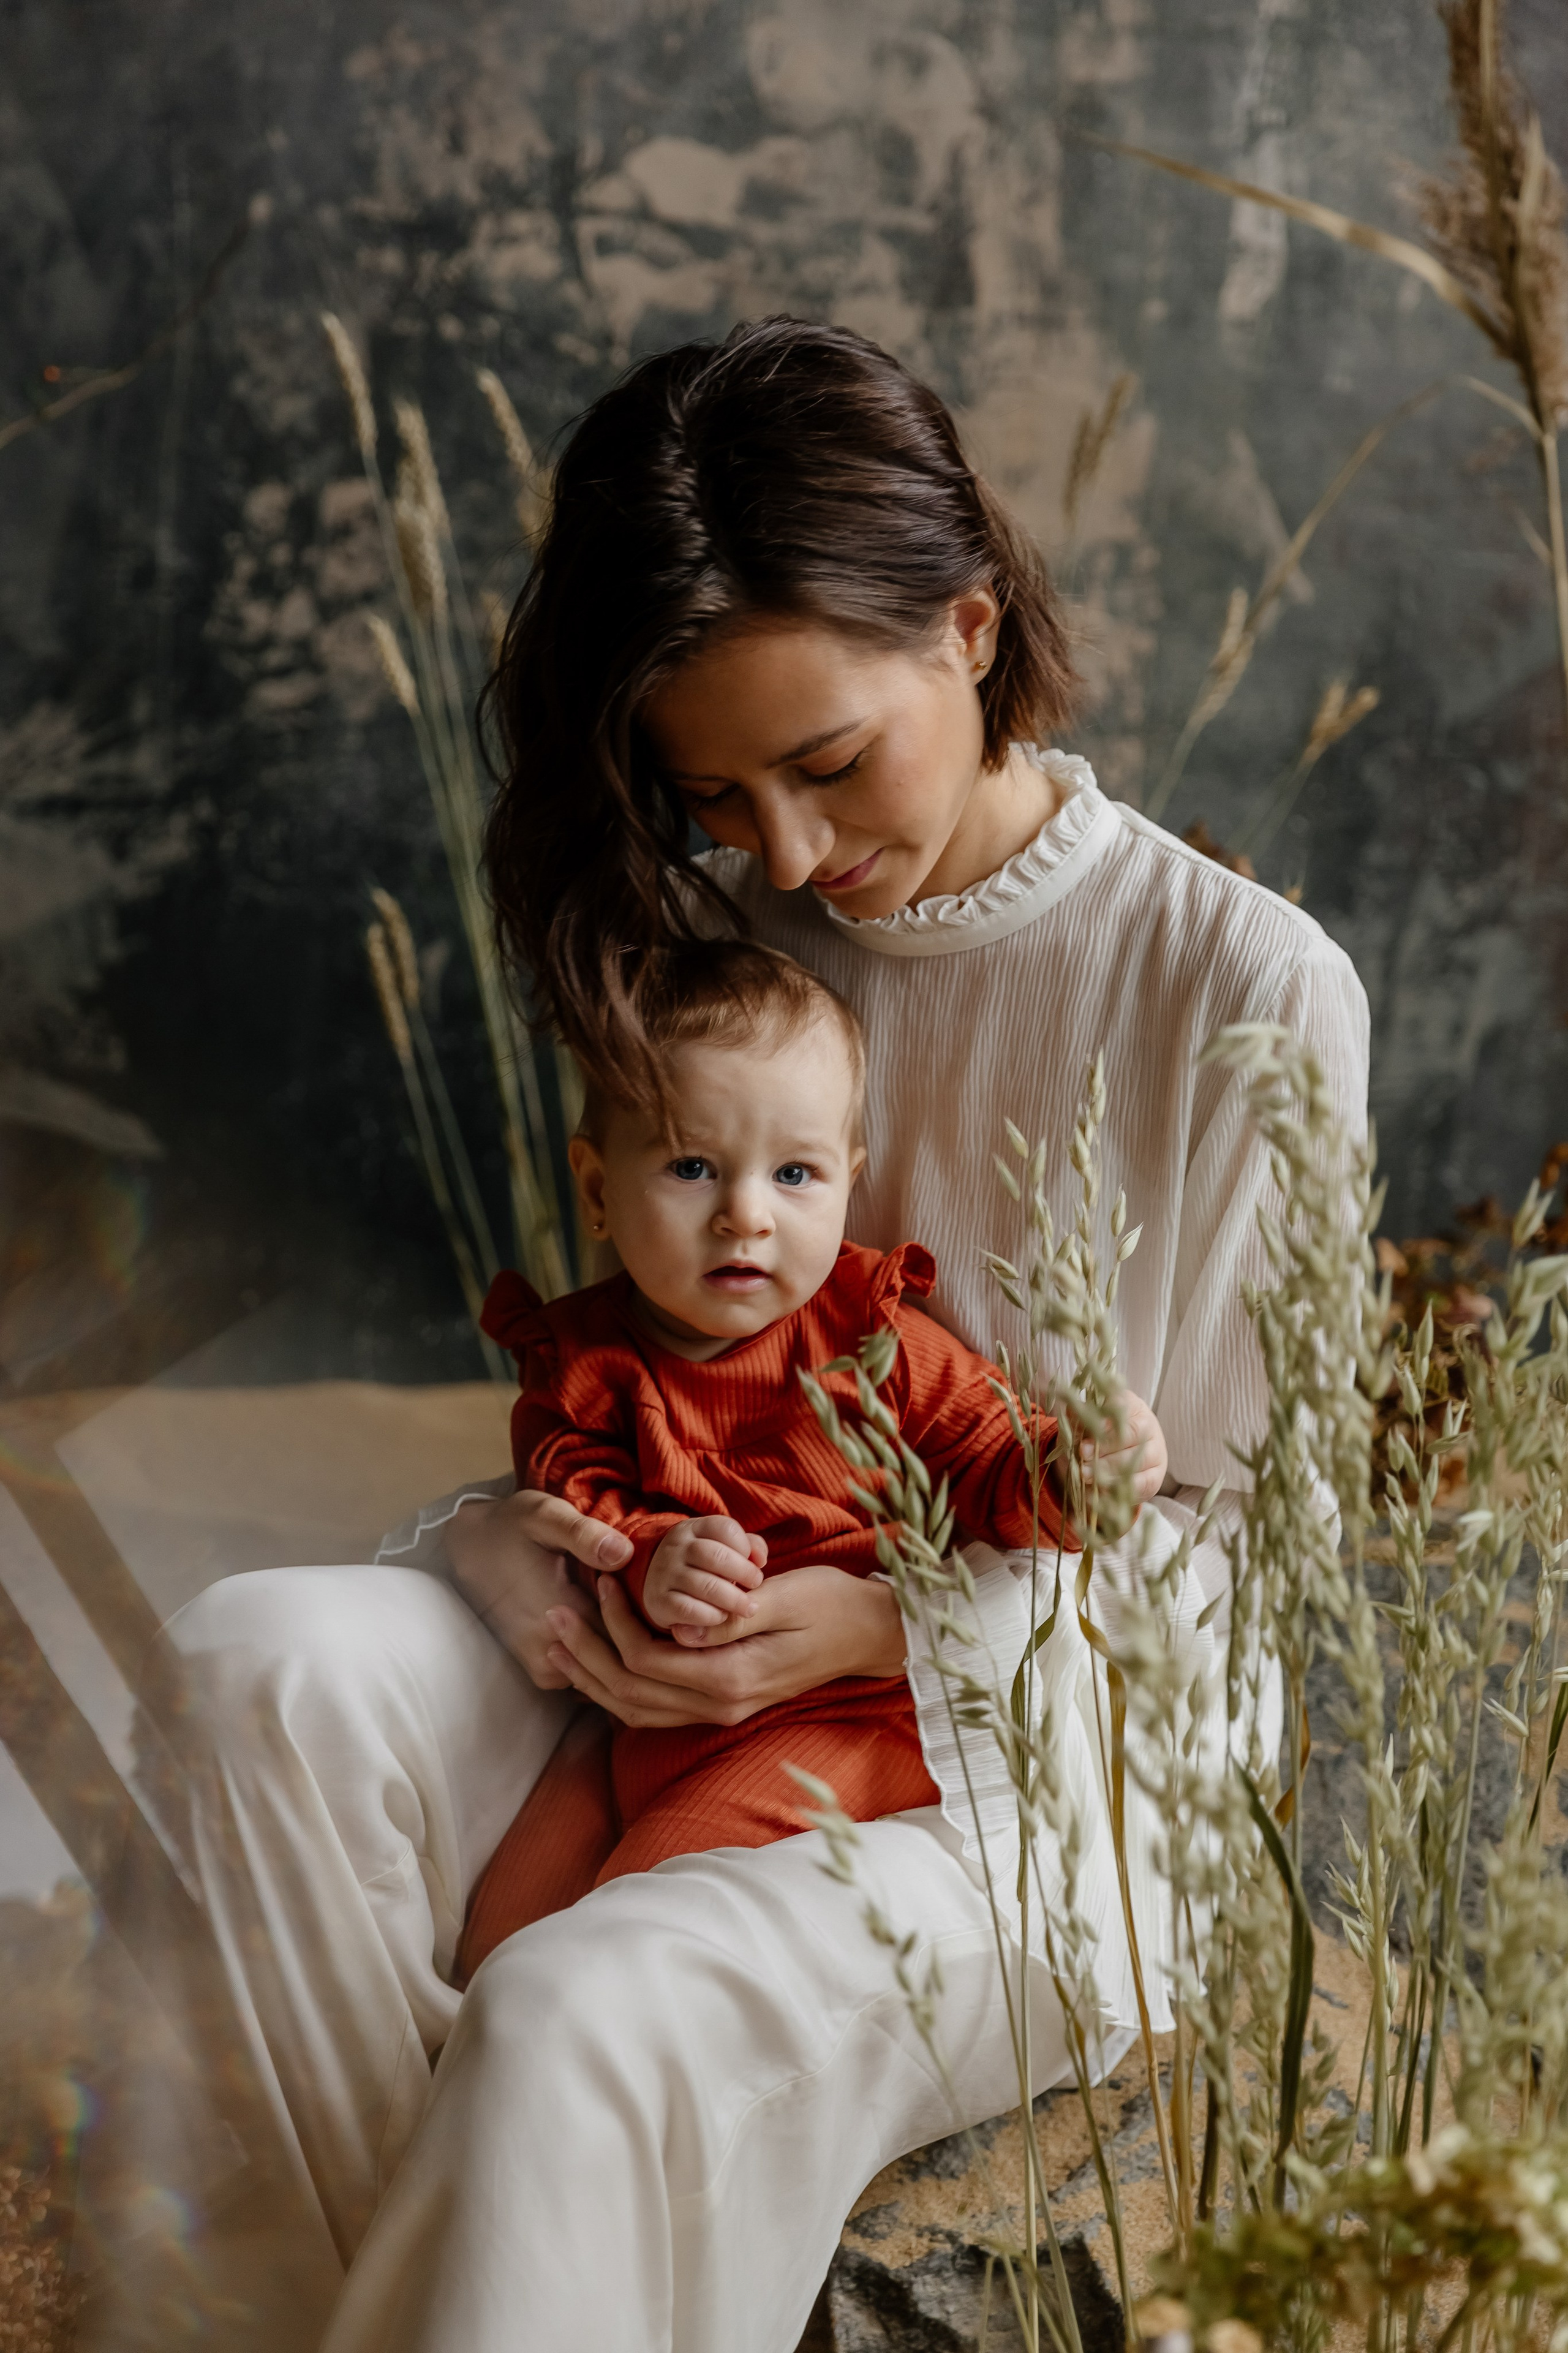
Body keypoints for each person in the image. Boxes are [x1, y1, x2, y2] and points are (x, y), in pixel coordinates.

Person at [160, 316, 1367, 2353]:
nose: (790, 859)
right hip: (681, 1658)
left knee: (571, 2003)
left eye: (826, 765)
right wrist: (526, 1550)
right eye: (715, 796)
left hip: (1027, 1774)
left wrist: (884, 1627)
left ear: (972, 628)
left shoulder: (1239, 985)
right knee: (254, 1663)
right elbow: (648, 1384)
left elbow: (1246, 1594)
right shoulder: (729, 942)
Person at [455, 936, 1170, 1975]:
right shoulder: (584, 1364)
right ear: (599, 1189)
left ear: (848, 1182)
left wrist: (1078, 1474)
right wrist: (652, 1555)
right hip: (644, 1724)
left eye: (795, 1173)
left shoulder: (874, 1339)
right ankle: (474, 2078)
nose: (747, 1212)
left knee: (619, 1923)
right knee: (498, 1930)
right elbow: (575, 1500)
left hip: (850, 1715)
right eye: (692, 1166)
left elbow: (991, 1462)